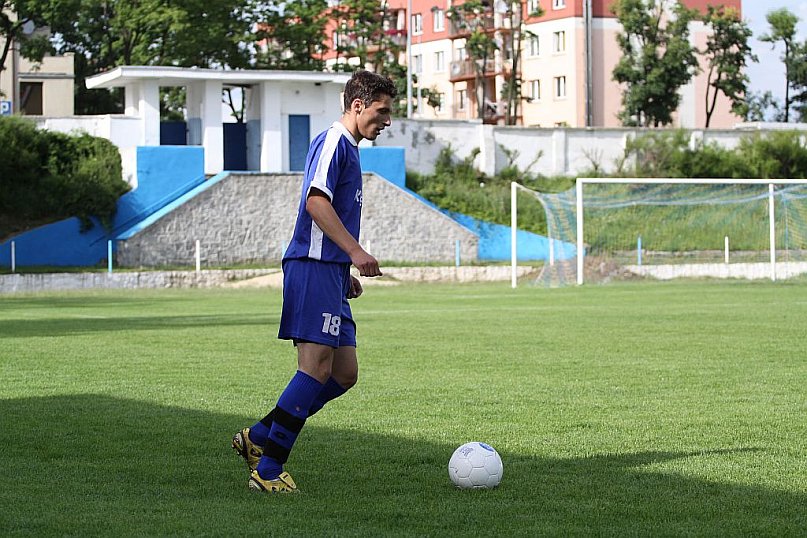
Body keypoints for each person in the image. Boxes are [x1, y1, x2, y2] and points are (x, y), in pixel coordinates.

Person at [232, 70, 397, 493]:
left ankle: (259, 435)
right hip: (311, 267)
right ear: (357, 105)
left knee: (344, 374)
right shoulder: (333, 142)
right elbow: (316, 202)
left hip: (330, 272)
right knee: (316, 369)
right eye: (382, 111)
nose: (387, 121)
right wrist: (355, 252)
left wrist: (343, 268)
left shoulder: (351, 149)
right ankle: (268, 470)